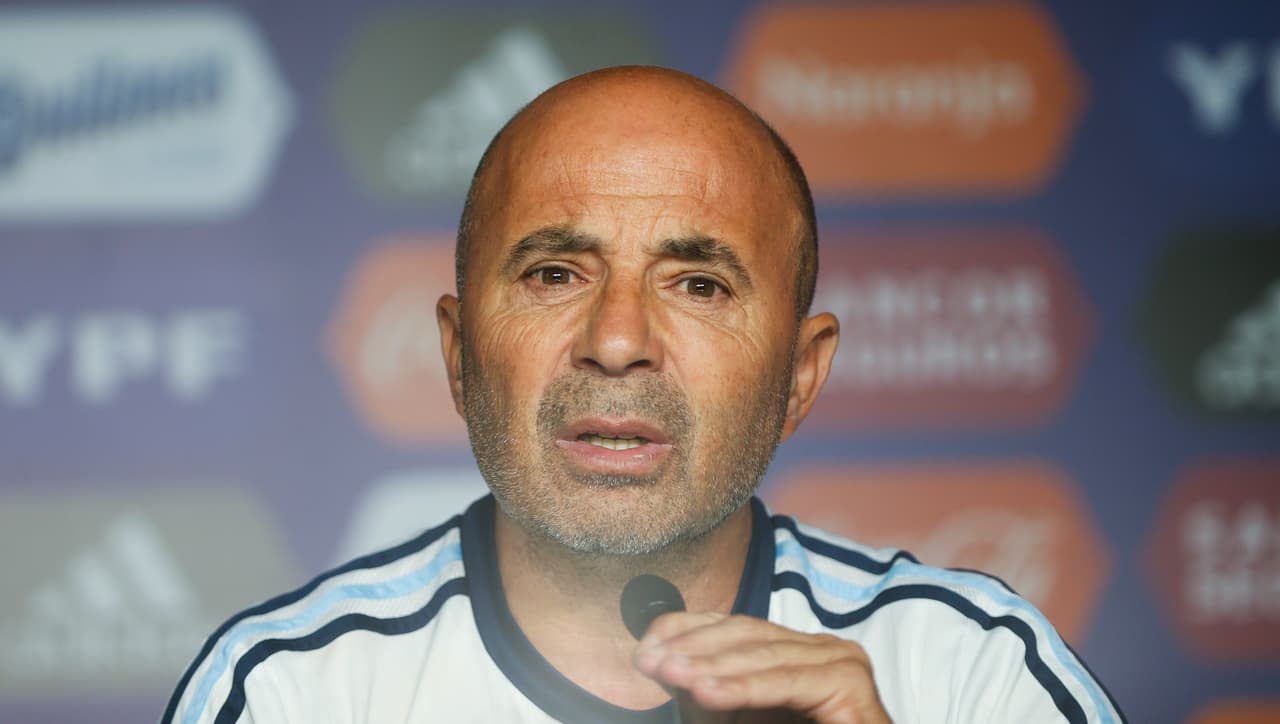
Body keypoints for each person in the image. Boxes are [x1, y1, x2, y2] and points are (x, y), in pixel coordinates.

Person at [164, 66, 1125, 723]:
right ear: (457, 357)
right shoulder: (289, 690)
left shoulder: (973, 672)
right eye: (554, 274)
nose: (617, 341)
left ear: (800, 376)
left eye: (698, 285)